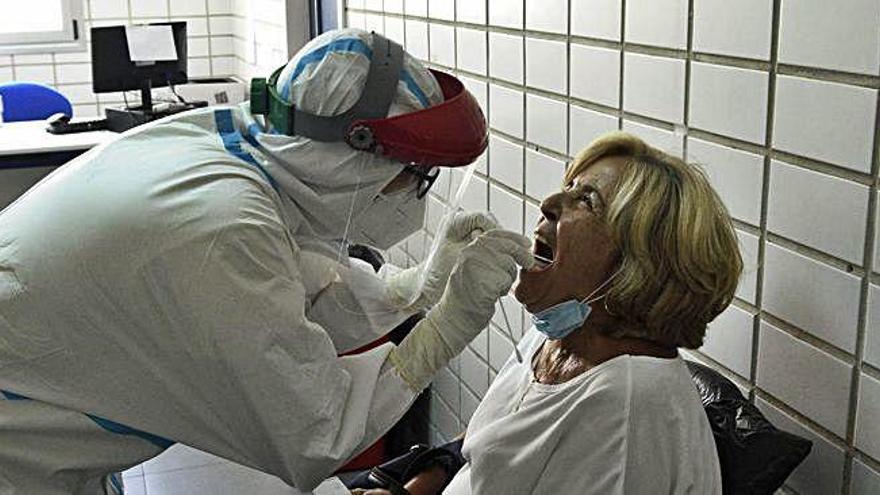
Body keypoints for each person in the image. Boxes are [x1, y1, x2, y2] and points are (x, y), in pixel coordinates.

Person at [0, 28, 534, 494]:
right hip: (19, 450)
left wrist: (417, 289)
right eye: (413, 172)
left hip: (47, 410)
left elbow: (288, 292)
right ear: (353, 157)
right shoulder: (224, 230)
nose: (412, 193)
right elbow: (314, 432)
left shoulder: (241, 146)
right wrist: (447, 326)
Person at [354, 131, 743, 494]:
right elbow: (484, 444)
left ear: (638, 266)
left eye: (586, 201)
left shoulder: (625, 410)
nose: (550, 204)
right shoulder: (556, 334)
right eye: (568, 188)